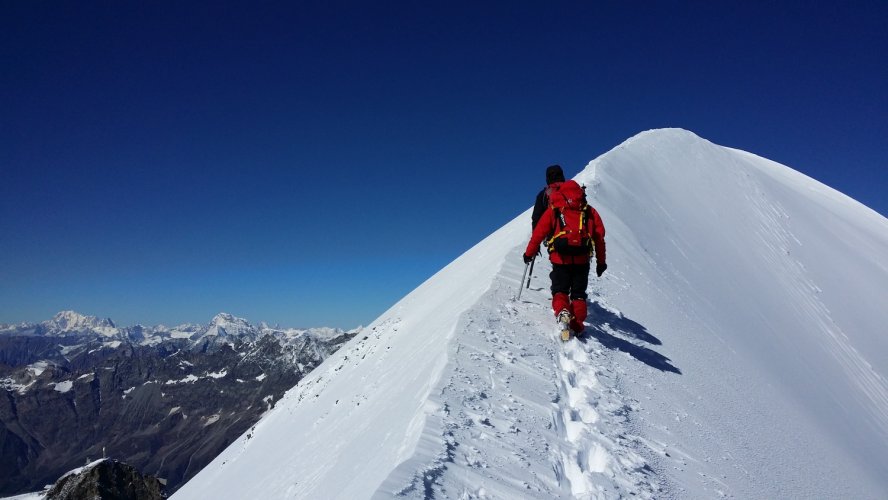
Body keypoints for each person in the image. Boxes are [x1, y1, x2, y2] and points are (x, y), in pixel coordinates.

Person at [523, 171, 607, 339]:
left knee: (560, 290)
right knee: (578, 294)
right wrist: (601, 262)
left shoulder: (554, 207)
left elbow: (539, 232)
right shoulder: (588, 210)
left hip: (559, 257)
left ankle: (563, 313)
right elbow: (599, 237)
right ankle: (577, 325)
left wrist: (529, 253)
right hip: (583, 259)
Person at [531, 165, 566, 230]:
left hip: (555, 236)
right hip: (580, 235)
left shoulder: (543, 194)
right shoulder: (574, 189)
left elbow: (536, 218)